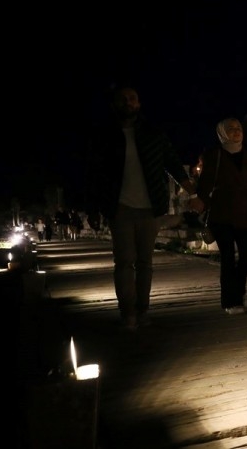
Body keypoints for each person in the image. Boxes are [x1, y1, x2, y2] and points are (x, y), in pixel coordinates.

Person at [86, 84, 202, 332]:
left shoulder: (152, 133)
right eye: (123, 99)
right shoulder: (105, 136)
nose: (128, 102)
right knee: (124, 262)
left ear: (138, 104)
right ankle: (127, 312)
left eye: (133, 98)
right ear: (115, 105)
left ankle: (143, 310)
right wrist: (95, 206)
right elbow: (96, 174)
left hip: (150, 207)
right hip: (120, 208)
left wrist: (193, 192)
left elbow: (172, 162)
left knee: (145, 262)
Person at [197, 117, 247, 315]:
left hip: (245, 213)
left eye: (238, 128)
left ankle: (239, 291)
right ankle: (229, 301)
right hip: (221, 214)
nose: (236, 132)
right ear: (223, 133)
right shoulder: (214, 155)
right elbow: (205, 185)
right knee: (227, 257)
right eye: (231, 129)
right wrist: (200, 205)